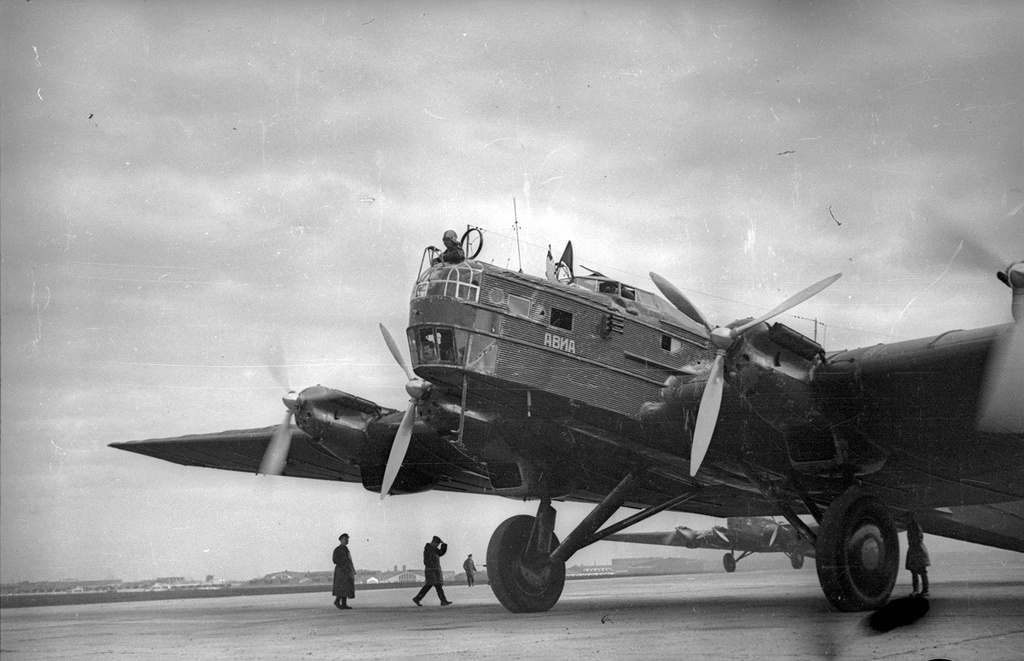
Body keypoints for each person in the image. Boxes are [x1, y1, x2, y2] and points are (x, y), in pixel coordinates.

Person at [413, 535, 452, 606]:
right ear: (434, 542)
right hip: (431, 571)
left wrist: (444, 545)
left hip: (434, 571)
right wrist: (433, 567)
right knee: (436, 586)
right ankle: (443, 601)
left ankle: (417, 598)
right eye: (437, 544)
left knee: (431, 586)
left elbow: (441, 553)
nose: (438, 545)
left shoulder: (433, 549)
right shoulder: (428, 550)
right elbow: (426, 561)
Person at [905, 516, 930, 597]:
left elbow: (918, 539)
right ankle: (922, 590)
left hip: (917, 550)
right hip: (916, 550)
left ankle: (921, 590)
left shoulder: (914, 526)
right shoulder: (913, 526)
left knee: (919, 571)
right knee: (918, 571)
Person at [332, 533, 355, 610]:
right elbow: (334, 560)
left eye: (347, 539)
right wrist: (343, 563)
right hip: (341, 571)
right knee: (342, 587)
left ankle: (344, 604)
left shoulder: (346, 549)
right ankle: (337, 601)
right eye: (345, 539)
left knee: (346, 587)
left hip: (347, 570)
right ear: (341, 540)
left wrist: (352, 569)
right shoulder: (337, 549)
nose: (347, 540)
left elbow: (350, 560)